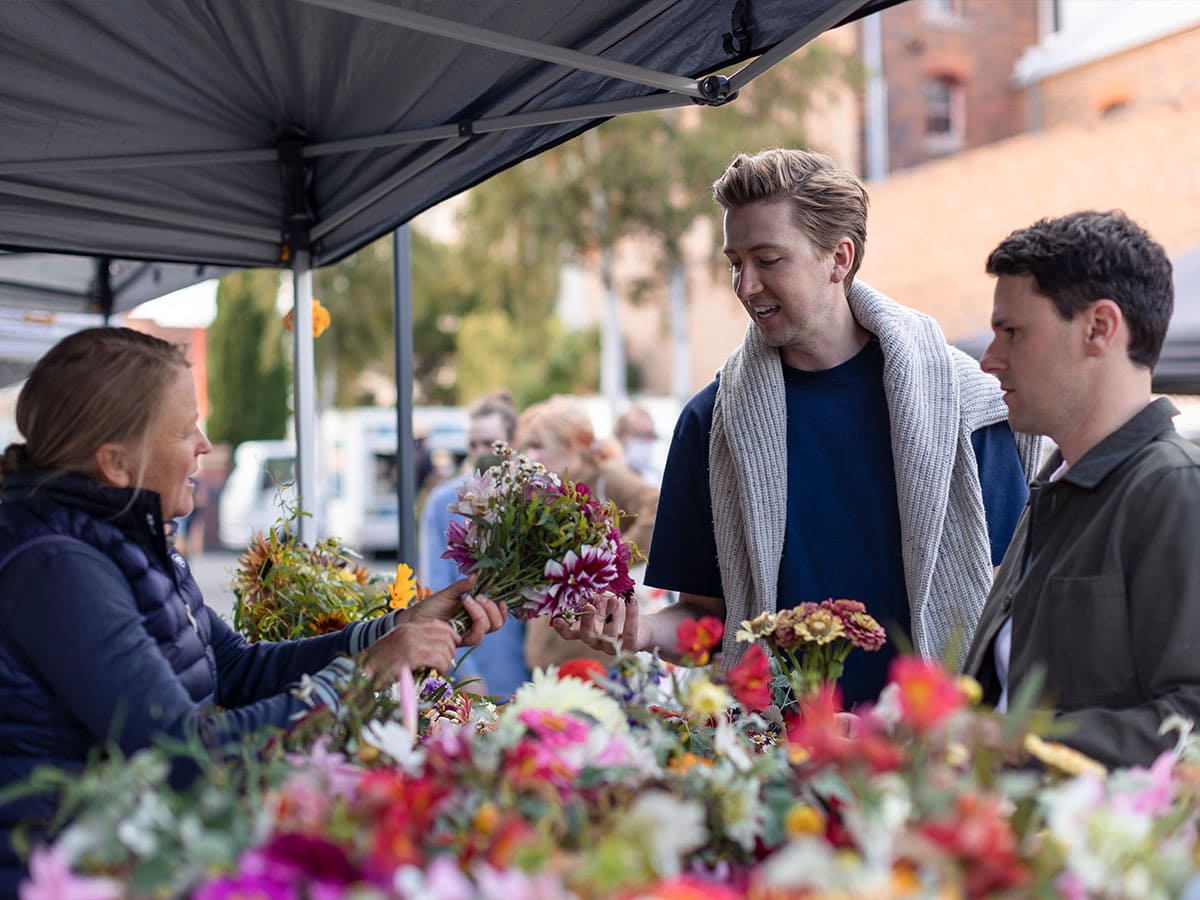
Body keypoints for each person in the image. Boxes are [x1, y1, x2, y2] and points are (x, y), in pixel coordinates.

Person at [0, 328, 506, 893]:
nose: (205, 444)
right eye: (184, 428)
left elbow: (237, 670)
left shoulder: (122, 539)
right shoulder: (56, 569)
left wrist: (396, 629)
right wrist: (368, 676)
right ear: (116, 463)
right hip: (66, 873)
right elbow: (182, 752)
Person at [555, 148, 1041, 708]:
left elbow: (1009, 604)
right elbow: (710, 627)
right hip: (774, 767)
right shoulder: (711, 424)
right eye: (735, 261)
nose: (746, 285)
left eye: (768, 259)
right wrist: (640, 633)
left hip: (937, 757)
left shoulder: (967, 403)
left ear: (839, 258)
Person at [961, 210, 1198, 769]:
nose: (989, 360)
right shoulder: (1053, 487)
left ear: (1099, 328)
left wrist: (1014, 745)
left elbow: (1191, 721)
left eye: (1012, 332)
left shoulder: (1175, 491)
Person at [517, 395, 661, 672]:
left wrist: (611, 563)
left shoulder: (606, 477)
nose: (531, 455)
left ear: (570, 445)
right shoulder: (543, 492)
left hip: (598, 662)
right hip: (545, 658)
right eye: (528, 446)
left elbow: (659, 507)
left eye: (537, 445)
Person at [418, 389, 530, 698]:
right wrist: (465, 676)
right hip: (471, 675)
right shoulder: (444, 502)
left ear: (515, 440)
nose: (480, 451)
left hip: (531, 675)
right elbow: (434, 595)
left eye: (490, 443)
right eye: (473, 444)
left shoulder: (532, 503)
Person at [614, 405, 662, 487]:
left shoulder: (657, 477)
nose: (648, 441)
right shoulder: (611, 478)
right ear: (620, 437)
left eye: (651, 435)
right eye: (641, 434)